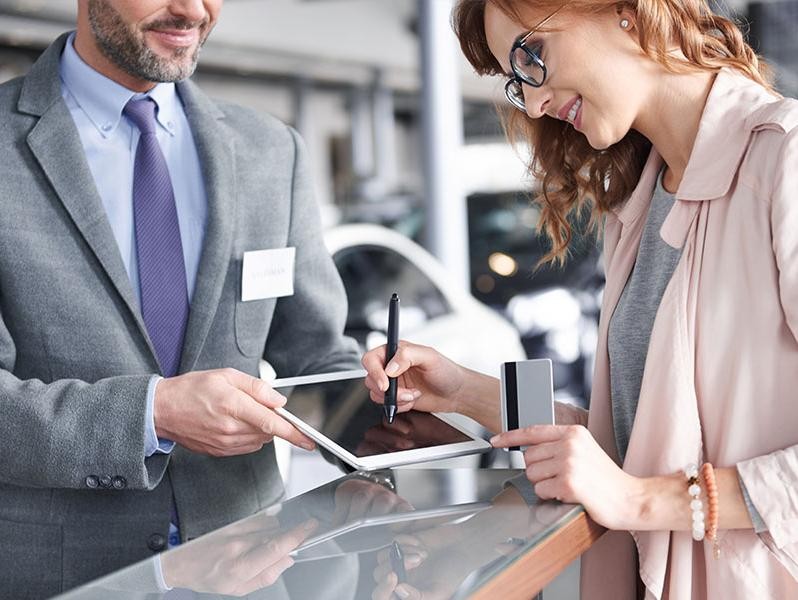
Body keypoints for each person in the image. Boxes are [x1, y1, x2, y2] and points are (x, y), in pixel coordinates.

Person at [362, 0, 798, 597]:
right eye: (519, 82)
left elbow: (634, 487)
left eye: (531, 55)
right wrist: (465, 392)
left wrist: (640, 500)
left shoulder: (784, 160)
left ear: (625, 10)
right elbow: (638, 442)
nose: (535, 102)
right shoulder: (644, 203)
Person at [0, 0, 359, 595]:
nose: (193, 10)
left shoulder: (272, 151)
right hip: (59, 577)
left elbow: (319, 356)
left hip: (253, 566)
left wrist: (390, 413)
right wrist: (154, 413)